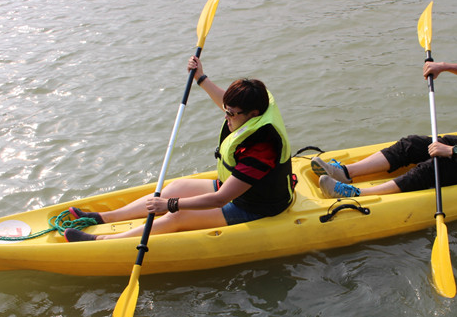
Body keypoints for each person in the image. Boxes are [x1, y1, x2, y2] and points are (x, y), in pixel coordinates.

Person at [65, 55, 293, 242]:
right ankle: (104, 218)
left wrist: (169, 205)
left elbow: (220, 199)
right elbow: (227, 102)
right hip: (241, 188)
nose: (226, 117)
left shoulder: (262, 149)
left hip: (255, 206)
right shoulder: (254, 109)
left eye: (231, 114)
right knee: (176, 186)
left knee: (179, 215)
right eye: (226, 110)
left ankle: (105, 241)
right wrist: (200, 77)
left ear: (253, 114)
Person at [312, 35, 457, 198]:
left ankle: (358, 193)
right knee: (411, 144)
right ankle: (345, 172)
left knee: (434, 166)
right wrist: (442, 66)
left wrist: (453, 151)